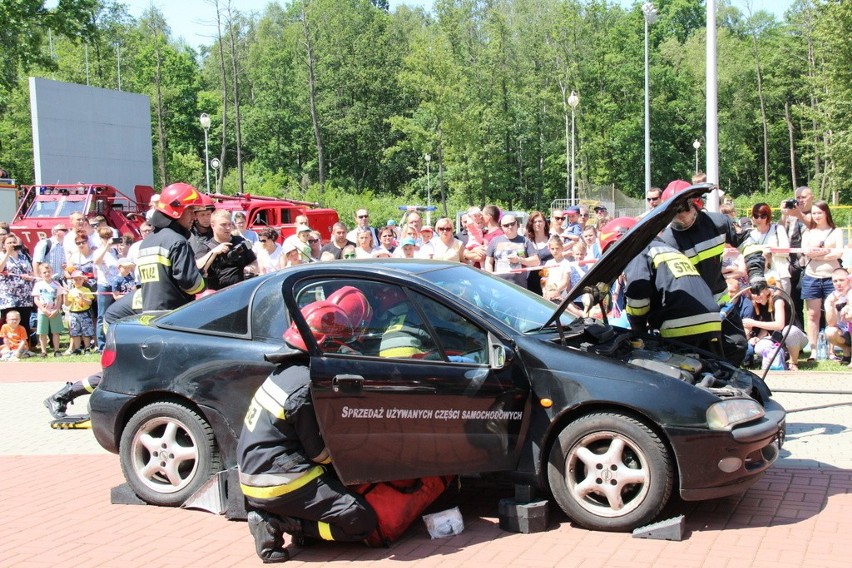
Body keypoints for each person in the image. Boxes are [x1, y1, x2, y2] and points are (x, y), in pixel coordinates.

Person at [238, 293, 378, 562]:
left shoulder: (287, 371)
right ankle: (281, 523)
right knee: (361, 521)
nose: (342, 350)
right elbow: (318, 454)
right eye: (339, 345)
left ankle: (288, 517)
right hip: (280, 479)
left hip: (259, 472)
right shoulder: (303, 387)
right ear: (325, 343)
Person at [659, 180, 765, 365]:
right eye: (676, 215)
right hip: (692, 308)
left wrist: (756, 273)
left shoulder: (719, 223)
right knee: (701, 358)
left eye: (685, 212)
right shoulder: (668, 242)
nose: (681, 219)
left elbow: (747, 242)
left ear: (697, 204)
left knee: (737, 347)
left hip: (721, 302)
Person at [624, 230, 724, 354]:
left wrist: (637, 327)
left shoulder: (639, 251)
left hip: (681, 325)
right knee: (710, 370)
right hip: (711, 320)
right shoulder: (670, 250)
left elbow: (637, 294)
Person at [136, 182, 207, 311]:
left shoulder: (146, 243)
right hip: (173, 318)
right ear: (177, 211)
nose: (194, 218)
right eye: (190, 211)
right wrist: (201, 277)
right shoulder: (177, 242)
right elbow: (191, 285)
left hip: (149, 316)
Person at [801, 200, 845, 360]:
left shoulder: (836, 231)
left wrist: (819, 253)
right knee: (812, 315)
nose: (816, 216)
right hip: (812, 276)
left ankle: (831, 350)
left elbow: (838, 253)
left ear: (826, 213)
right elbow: (806, 252)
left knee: (832, 314)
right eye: (813, 213)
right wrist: (825, 252)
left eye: (819, 212)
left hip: (832, 278)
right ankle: (813, 351)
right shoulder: (808, 232)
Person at [743, 286, 808, 371]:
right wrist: (757, 339)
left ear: (767, 291)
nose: (756, 296)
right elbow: (764, 328)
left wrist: (754, 323)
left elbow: (779, 325)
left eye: (759, 293)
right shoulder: (758, 305)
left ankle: (793, 363)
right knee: (759, 348)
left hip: (796, 338)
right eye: (753, 293)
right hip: (778, 340)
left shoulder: (778, 301)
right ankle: (780, 358)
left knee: (789, 330)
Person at [192, 209, 258, 290]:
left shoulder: (240, 241)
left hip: (242, 291)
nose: (228, 228)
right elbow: (197, 268)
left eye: (229, 224)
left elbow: (255, 261)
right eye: (223, 225)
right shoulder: (205, 246)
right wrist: (214, 252)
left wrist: (251, 267)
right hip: (218, 295)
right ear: (213, 226)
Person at [744, 203, 791, 297]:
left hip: (780, 274)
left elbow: (786, 252)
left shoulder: (778, 229)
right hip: (758, 276)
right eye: (756, 216)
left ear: (768, 216)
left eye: (763, 216)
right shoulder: (750, 234)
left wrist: (770, 250)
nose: (759, 219)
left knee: (782, 306)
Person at [485, 214, 539, 288]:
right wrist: (491, 277)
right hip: (498, 286)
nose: (510, 227)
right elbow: (488, 262)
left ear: (516, 224)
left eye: (512, 224)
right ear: (501, 227)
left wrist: (519, 260)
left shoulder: (525, 241)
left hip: (519, 287)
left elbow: (536, 261)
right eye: (506, 225)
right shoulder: (495, 241)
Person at [0, 233, 35, 341]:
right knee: (9, 320)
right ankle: (7, 344)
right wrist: (7, 254)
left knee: (24, 320)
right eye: (9, 243)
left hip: (24, 295)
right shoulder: (2, 255)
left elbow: (31, 272)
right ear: (4, 245)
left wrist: (30, 277)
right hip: (9, 295)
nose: (12, 244)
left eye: (13, 242)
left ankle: (24, 344)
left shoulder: (23, 256)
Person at [32, 263, 66, 357]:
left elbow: (59, 298)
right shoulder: (38, 285)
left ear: (52, 272)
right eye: (44, 272)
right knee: (42, 332)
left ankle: (57, 350)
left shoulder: (56, 284)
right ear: (40, 274)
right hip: (43, 313)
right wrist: (43, 309)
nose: (47, 274)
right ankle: (44, 351)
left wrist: (56, 309)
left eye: (49, 272)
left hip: (54, 312)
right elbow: (36, 299)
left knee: (55, 332)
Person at [64, 270, 95, 355]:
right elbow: (67, 304)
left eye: (79, 279)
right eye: (75, 279)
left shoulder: (86, 290)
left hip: (85, 313)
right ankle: (77, 349)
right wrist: (65, 295)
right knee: (75, 332)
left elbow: (90, 302)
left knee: (86, 332)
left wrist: (83, 298)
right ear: (73, 281)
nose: (77, 281)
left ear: (83, 280)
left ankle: (87, 348)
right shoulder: (71, 291)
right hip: (74, 313)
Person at [824, 268, 851, 365]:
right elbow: (831, 323)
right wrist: (831, 304)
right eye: (835, 281)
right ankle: (847, 352)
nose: (838, 283)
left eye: (841, 280)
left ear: (849, 279)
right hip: (844, 330)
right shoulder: (831, 298)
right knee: (830, 332)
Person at [525, 211, 552, 295]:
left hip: (549, 279)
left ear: (545, 223)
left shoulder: (552, 238)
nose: (537, 224)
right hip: (530, 280)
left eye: (540, 221)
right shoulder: (526, 240)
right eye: (534, 222)